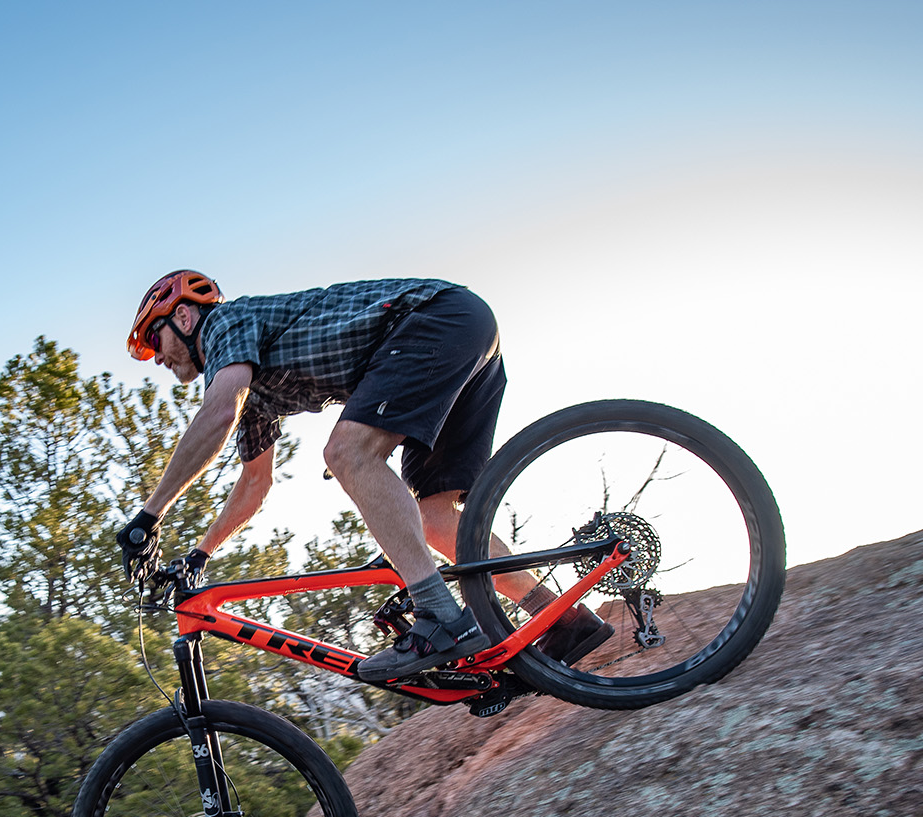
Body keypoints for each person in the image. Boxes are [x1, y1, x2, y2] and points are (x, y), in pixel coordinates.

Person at [114, 269, 611, 683]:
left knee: (348, 453)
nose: (158, 357)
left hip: (433, 321)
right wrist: (202, 553)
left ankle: (440, 616)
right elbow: (254, 486)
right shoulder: (254, 392)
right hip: (462, 328)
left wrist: (147, 517)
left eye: (155, 340)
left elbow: (218, 412)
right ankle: (564, 619)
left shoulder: (226, 323)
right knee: (435, 520)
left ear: (184, 316)